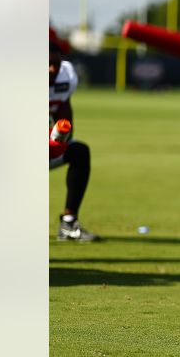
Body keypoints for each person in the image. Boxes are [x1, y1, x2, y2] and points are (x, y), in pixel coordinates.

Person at [49, 27, 100, 242]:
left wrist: (60, 138)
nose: (52, 70)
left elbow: (65, 116)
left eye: (56, 63)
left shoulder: (66, 76)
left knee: (79, 151)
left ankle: (69, 224)